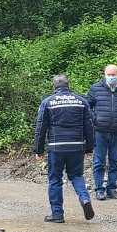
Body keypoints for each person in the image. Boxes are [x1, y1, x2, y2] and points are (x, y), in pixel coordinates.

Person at [33, 74, 95, 223]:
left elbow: (41, 127)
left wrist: (38, 150)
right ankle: (85, 199)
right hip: (77, 146)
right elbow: (89, 125)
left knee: (55, 179)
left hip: (56, 147)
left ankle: (57, 214)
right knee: (76, 176)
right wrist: (89, 147)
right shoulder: (81, 101)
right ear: (68, 85)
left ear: (54, 86)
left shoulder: (48, 102)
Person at [87, 64, 117, 200]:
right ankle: (99, 189)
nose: (111, 77)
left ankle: (112, 188)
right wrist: (94, 119)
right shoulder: (95, 89)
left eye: (113, 75)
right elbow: (87, 106)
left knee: (115, 161)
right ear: (104, 75)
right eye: (109, 75)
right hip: (100, 131)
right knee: (99, 161)